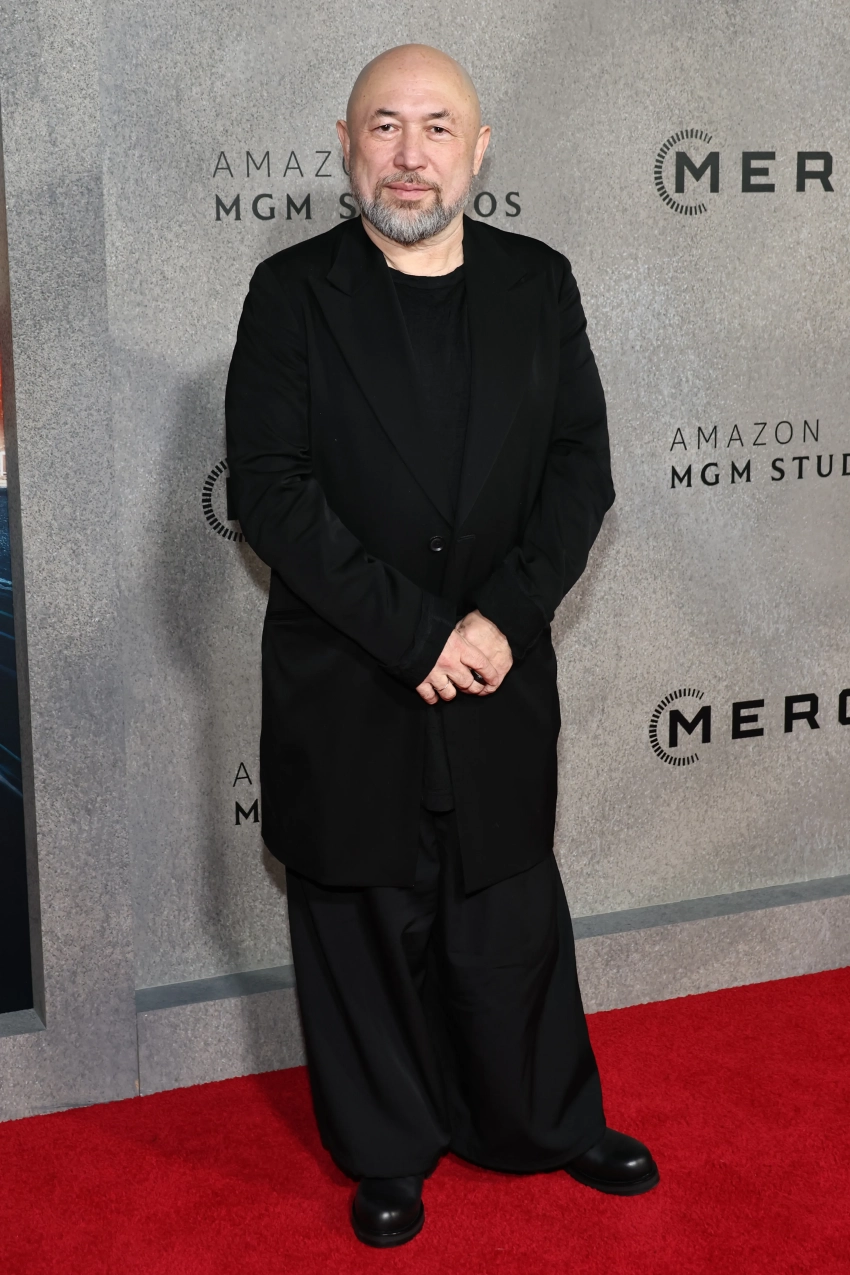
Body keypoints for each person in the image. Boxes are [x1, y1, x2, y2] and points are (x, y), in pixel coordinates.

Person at [225, 43, 657, 1248]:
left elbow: (579, 471)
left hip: (497, 669)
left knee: (506, 908)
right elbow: (271, 493)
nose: (408, 155)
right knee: (363, 917)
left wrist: (500, 620)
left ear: (478, 150)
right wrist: (418, 634)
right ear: (346, 144)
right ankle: (387, 1149)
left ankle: (542, 1121)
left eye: (434, 127)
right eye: (383, 126)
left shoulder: (539, 283)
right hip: (351, 673)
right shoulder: (290, 294)